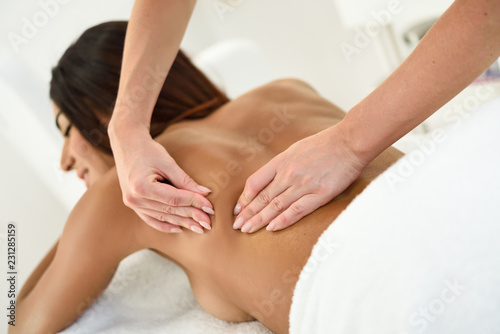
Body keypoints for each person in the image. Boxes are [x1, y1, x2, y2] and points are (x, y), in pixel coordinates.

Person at [10, 21, 403, 334]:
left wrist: (87, 208)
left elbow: (21, 323)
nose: (64, 160)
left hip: (382, 309)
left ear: (101, 114)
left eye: (66, 129)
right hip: (446, 215)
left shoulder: (117, 197)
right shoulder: (288, 89)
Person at [109, 0, 500, 235]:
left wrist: (349, 142)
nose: (65, 162)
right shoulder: (287, 88)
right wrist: (125, 124)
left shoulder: (109, 205)